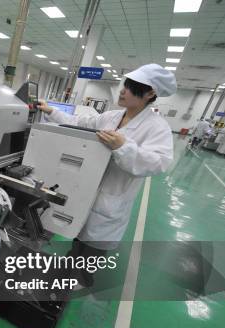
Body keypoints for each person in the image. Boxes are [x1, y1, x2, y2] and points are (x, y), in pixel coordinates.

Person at [38, 63, 177, 287]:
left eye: (131, 88)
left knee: (93, 249)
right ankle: (69, 273)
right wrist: (51, 111)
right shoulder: (110, 117)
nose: (123, 91)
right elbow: (79, 124)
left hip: (112, 200)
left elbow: (159, 163)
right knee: (77, 237)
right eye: (125, 86)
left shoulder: (156, 127)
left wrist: (124, 147)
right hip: (87, 191)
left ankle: (77, 284)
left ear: (150, 93)